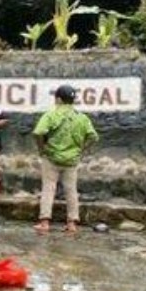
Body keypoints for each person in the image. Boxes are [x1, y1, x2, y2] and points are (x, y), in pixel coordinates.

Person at [32, 85, 99, 235]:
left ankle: (44, 222)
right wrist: (82, 149)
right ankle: (72, 223)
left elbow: (38, 132)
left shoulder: (51, 115)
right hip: (72, 160)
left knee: (49, 189)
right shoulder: (81, 117)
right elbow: (93, 136)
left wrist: (42, 148)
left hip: (51, 157)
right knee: (71, 191)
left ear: (59, 99)